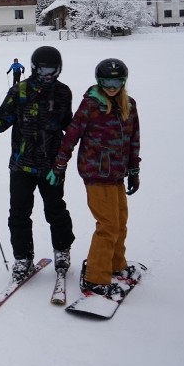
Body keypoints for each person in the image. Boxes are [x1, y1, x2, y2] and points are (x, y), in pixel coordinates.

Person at [0, 46, 75, 282]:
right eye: (44, 70)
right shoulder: (20, 91)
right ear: (34, 68)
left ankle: (62, 250)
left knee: (56, 210)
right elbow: (3, 119)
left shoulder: (63, 92)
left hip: (51, 166)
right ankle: (23, 257)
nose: (48, 76)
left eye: (53, 71)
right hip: (21, 165)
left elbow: (70, 125)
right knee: (19, 214)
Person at [49, 58, 141, 298]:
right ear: (99, 82)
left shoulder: (129, 104)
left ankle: (116, 264)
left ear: (123, 81)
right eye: (106, 81)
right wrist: (60, 163)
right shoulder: (90, 105)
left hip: (118, 173)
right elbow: (71, 135)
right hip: (95, 172)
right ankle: (95, 278)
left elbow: (133, 140)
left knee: (120, 220)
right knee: (108, 225)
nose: (112, 86)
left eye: (116, 81)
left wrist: (134, 169)